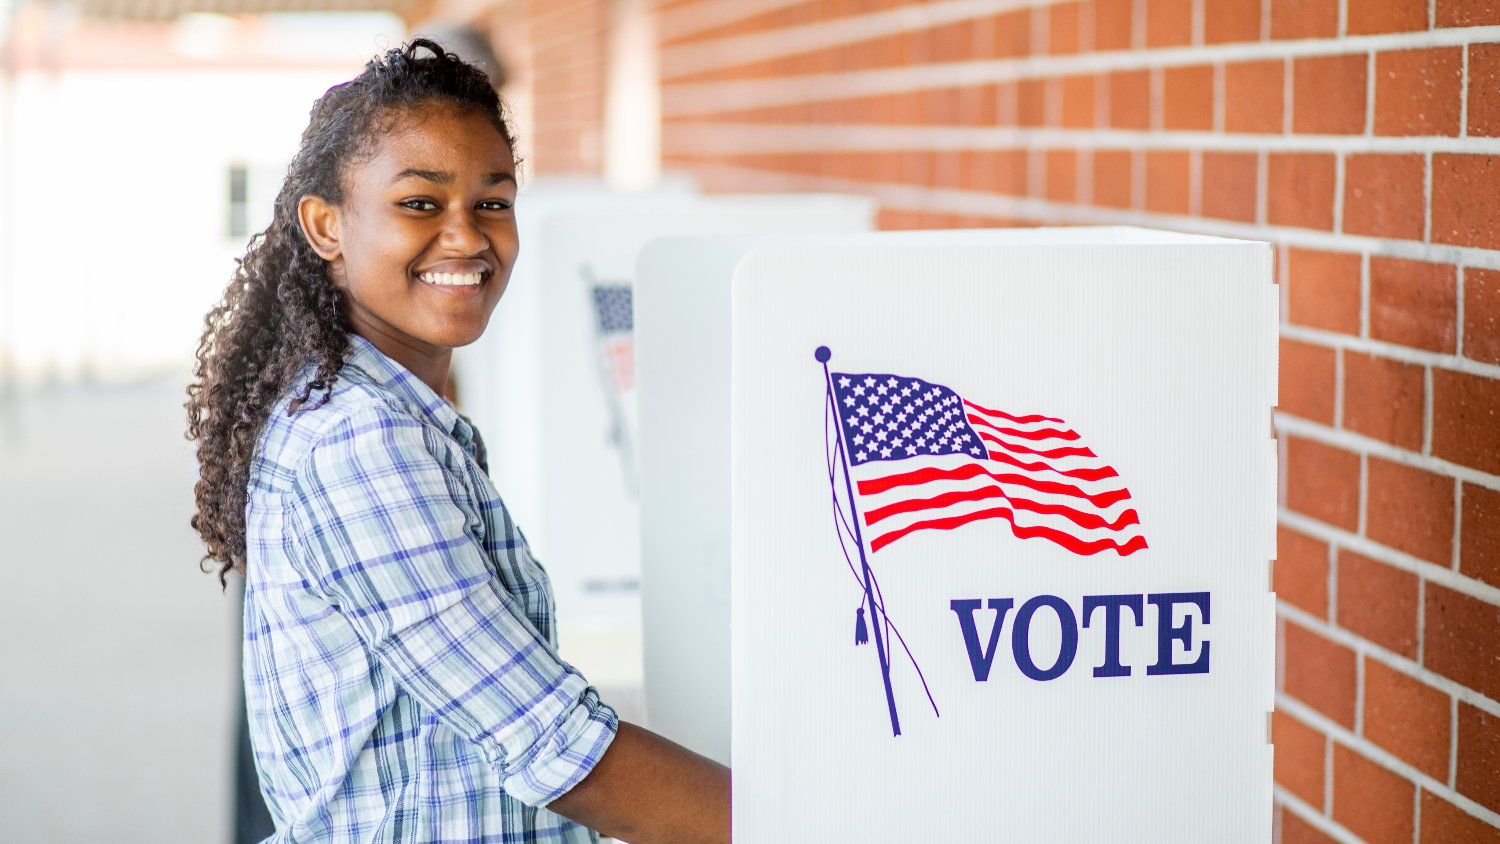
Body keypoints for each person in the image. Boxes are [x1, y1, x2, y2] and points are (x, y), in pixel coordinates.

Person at [186, 39, 730, 843]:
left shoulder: (387, 407)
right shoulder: (360, 442)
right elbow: (557, 746)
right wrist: (802, 819)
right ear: (326, 225)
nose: (467, 236)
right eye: (420, 203)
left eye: (493, 201)